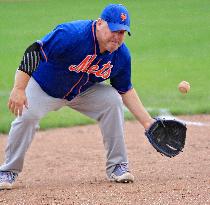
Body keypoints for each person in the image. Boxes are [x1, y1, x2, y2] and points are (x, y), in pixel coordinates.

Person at [0, 3, 154, 189]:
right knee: (27, 116)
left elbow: (125, 90)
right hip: (43, 87)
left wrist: (148, 123)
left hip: (82, 92)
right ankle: (8, 171)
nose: (117, 36)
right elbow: (34, 51)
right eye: (114, 30)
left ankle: (118, 166)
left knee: (112, 100)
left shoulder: (121, 55)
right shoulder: (71, 34)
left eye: (122, 32)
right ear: (99, 23)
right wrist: (19, 88)